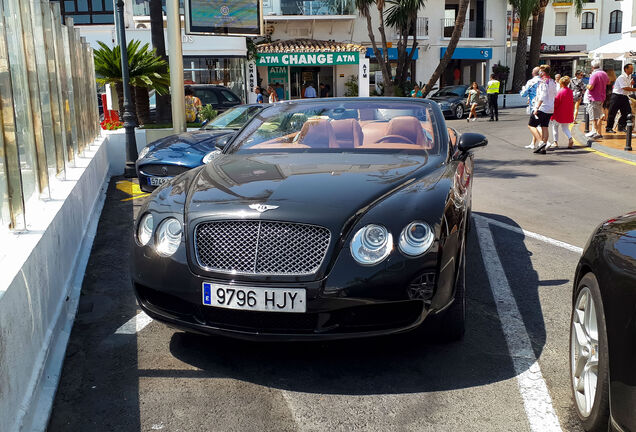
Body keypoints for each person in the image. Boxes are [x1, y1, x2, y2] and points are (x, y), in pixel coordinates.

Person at [530, 65, 557, 154]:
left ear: (543, 72)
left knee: (531, 125)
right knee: (545, 126)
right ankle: (543, 147)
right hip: (550, 108)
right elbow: (555, 94)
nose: (539, 73)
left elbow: (542, 96)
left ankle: (541, 142)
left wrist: (536, 107)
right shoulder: (553, 82)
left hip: (542, 107)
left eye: (541, 71)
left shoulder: (543, 82)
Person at [606, 63, 636, 133]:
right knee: (612, 112)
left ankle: (621, 126)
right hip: (617, 96)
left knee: (627, 112)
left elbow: (627, 87)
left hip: (624, 96)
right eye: (631, 68)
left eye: (632, 68)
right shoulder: (621, 77)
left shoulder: (629, 77)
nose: (632, 70)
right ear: (626, 69)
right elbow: (625, 88)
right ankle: (609, 128)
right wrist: (634, 89)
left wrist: (631, 84)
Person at [585, 59, 609, 140]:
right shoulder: (604, 73)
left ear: (592, 67)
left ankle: (594, 131)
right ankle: (599, 132)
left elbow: (591, 87)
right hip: (602, 96)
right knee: (598, 115)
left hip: (594, 97)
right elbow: (608, 82)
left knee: (593, 116)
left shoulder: (594, 75)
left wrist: (587, 86)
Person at [550, 76, 575, 149]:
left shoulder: (560, 92)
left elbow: (556, 103)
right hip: (567, 112)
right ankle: (570, 138)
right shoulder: (570, 91)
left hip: (558, 112)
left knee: (555, 127)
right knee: (565, 128)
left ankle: (555, 142)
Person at [520, 66, 541, 149]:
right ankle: (533, 143)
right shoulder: (545, 81)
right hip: (545, 105)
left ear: (533, 73)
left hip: (534, 106)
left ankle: (544, 142)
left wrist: (523, 89)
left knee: (533, 126)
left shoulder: (531, 82)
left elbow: (523, 94)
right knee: (537, 125)